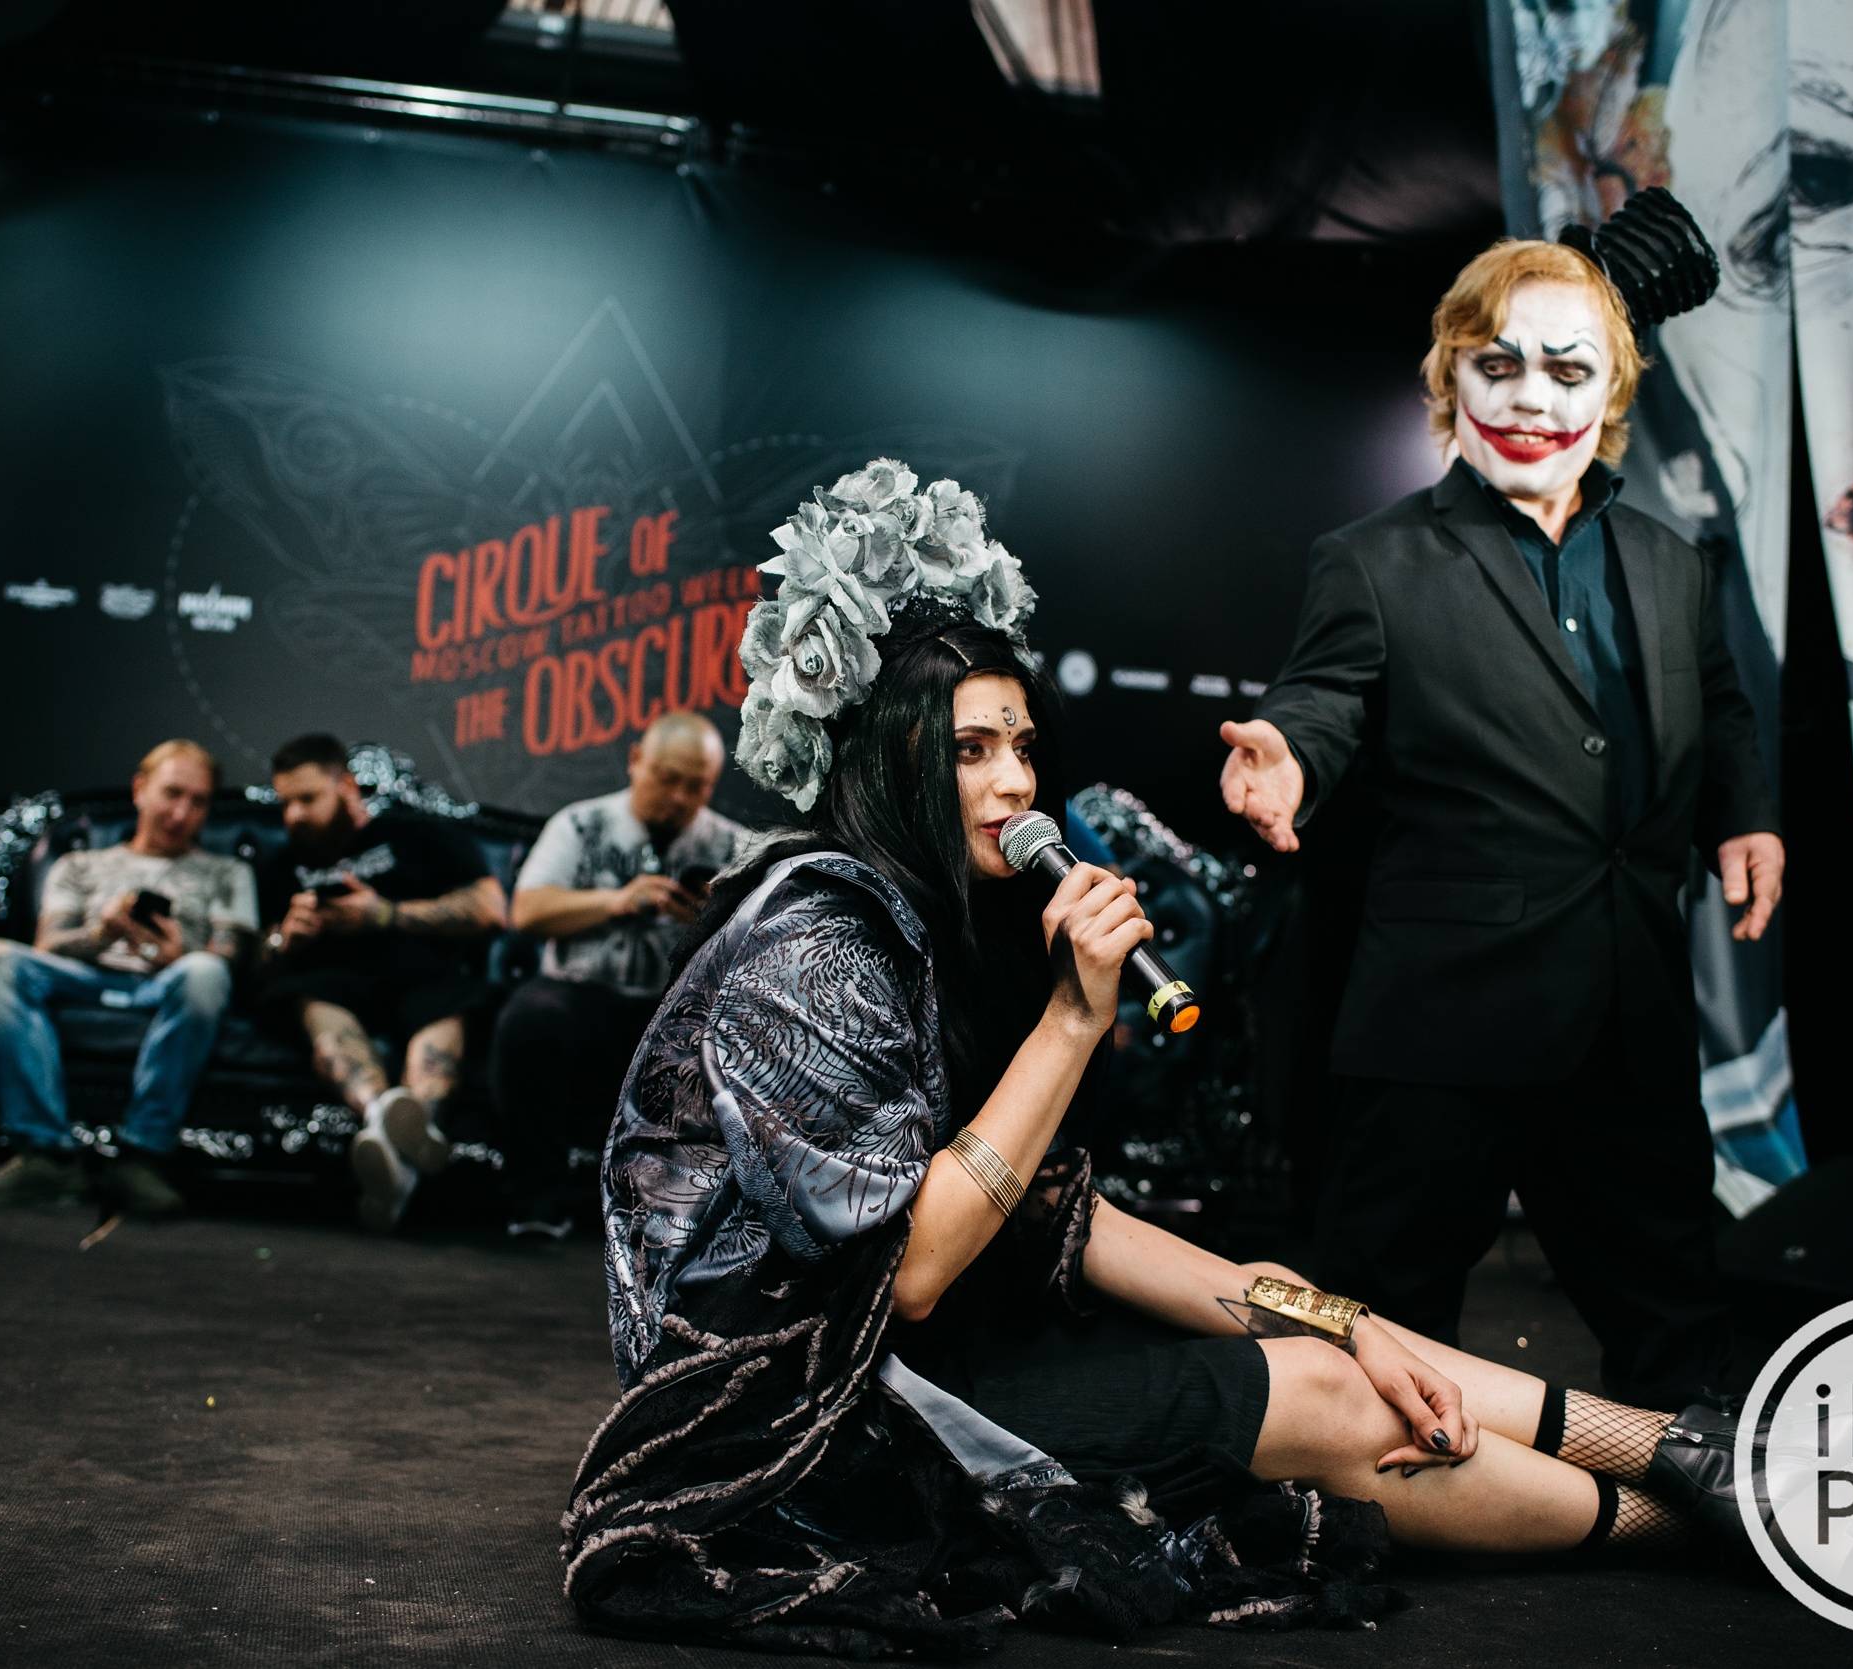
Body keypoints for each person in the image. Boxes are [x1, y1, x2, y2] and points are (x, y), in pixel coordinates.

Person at [564, 461, 1739, 1657]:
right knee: (1324, 1397)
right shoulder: (813, 941)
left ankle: (1694, 1455)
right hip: (808, 1421)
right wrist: (1073, 1022)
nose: (1017, 781)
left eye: (1021, 744)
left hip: (937, 1352)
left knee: (1331, 1340)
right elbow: (910, 1269)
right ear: (883, 758)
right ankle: (1701, 1525)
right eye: (968, 749)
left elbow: (1067, 1217)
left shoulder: (946, 928)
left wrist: (1337, 1316)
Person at [1218, 221, 1785, 1409]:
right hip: (1444, 1020)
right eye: (1499, 364)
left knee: (1675, 1325)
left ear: (1611, 389)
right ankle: (1354, 1505)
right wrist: (1289, 759)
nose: (1532, 396)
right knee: (1379, 1326)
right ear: (1450, 378)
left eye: (1568, 370)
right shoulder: (1373, 560)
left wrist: (1745, 815)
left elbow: (1720, 706)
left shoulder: (1671, 562)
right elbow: (1322, 700)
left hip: (1628, 1012)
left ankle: (1678, 1508)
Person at [0, 738, 255, 1216]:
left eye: (198, 802)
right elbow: (47, 946)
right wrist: (102, 932)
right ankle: (46, 1155)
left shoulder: (227, 873)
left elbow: (229, 958)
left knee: (205, 970)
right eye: (172, 794)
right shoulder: (80, 864)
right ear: (140, 789)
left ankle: (142, 1154)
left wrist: (177, 954)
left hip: (167, 984)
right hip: (82, 978)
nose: (181, 813)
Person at [491, 709, 741, 1235]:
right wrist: (616, 901)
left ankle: (678, 1216)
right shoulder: (579, 824)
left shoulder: (735, 847)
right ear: (636, 760)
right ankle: (535, 1199)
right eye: (667, 779)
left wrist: (714, 918)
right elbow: (527, 911)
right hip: (580, 993)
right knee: (530, 1019)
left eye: (696, 786)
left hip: (674, 1007)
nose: (679, 798)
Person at [255, 734, 506, 1233]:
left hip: (424, 974)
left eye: (308, 799)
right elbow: (255, 961)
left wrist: (384, 913)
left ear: (347, 786)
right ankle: (386, 1122)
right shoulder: (282, 864)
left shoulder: (418, 834)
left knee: (444, 1013)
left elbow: (490, 909)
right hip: (331, 982)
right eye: (285, 803)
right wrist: (287, 935)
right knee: (317, 1011)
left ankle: (391, 1143)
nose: (294, 815)